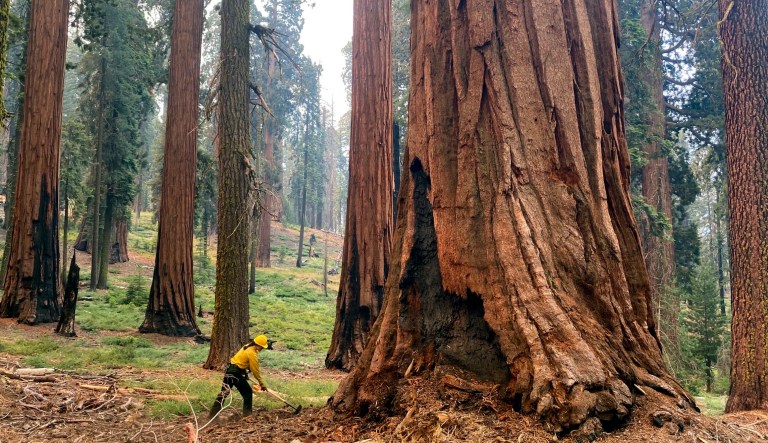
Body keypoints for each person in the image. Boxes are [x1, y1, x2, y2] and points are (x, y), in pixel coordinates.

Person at [209, 335, 269, 418]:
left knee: (224, 393)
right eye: (262, 347)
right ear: (258, 345)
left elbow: (240, 361)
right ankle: (247, 416)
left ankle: (212, 415)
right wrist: (261, 384)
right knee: (248, 393)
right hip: (235, 374)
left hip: (229, 371)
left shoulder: (246, 347)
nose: (262, 349)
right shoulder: (252, 353)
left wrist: (245, 374)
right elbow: (255, 371)